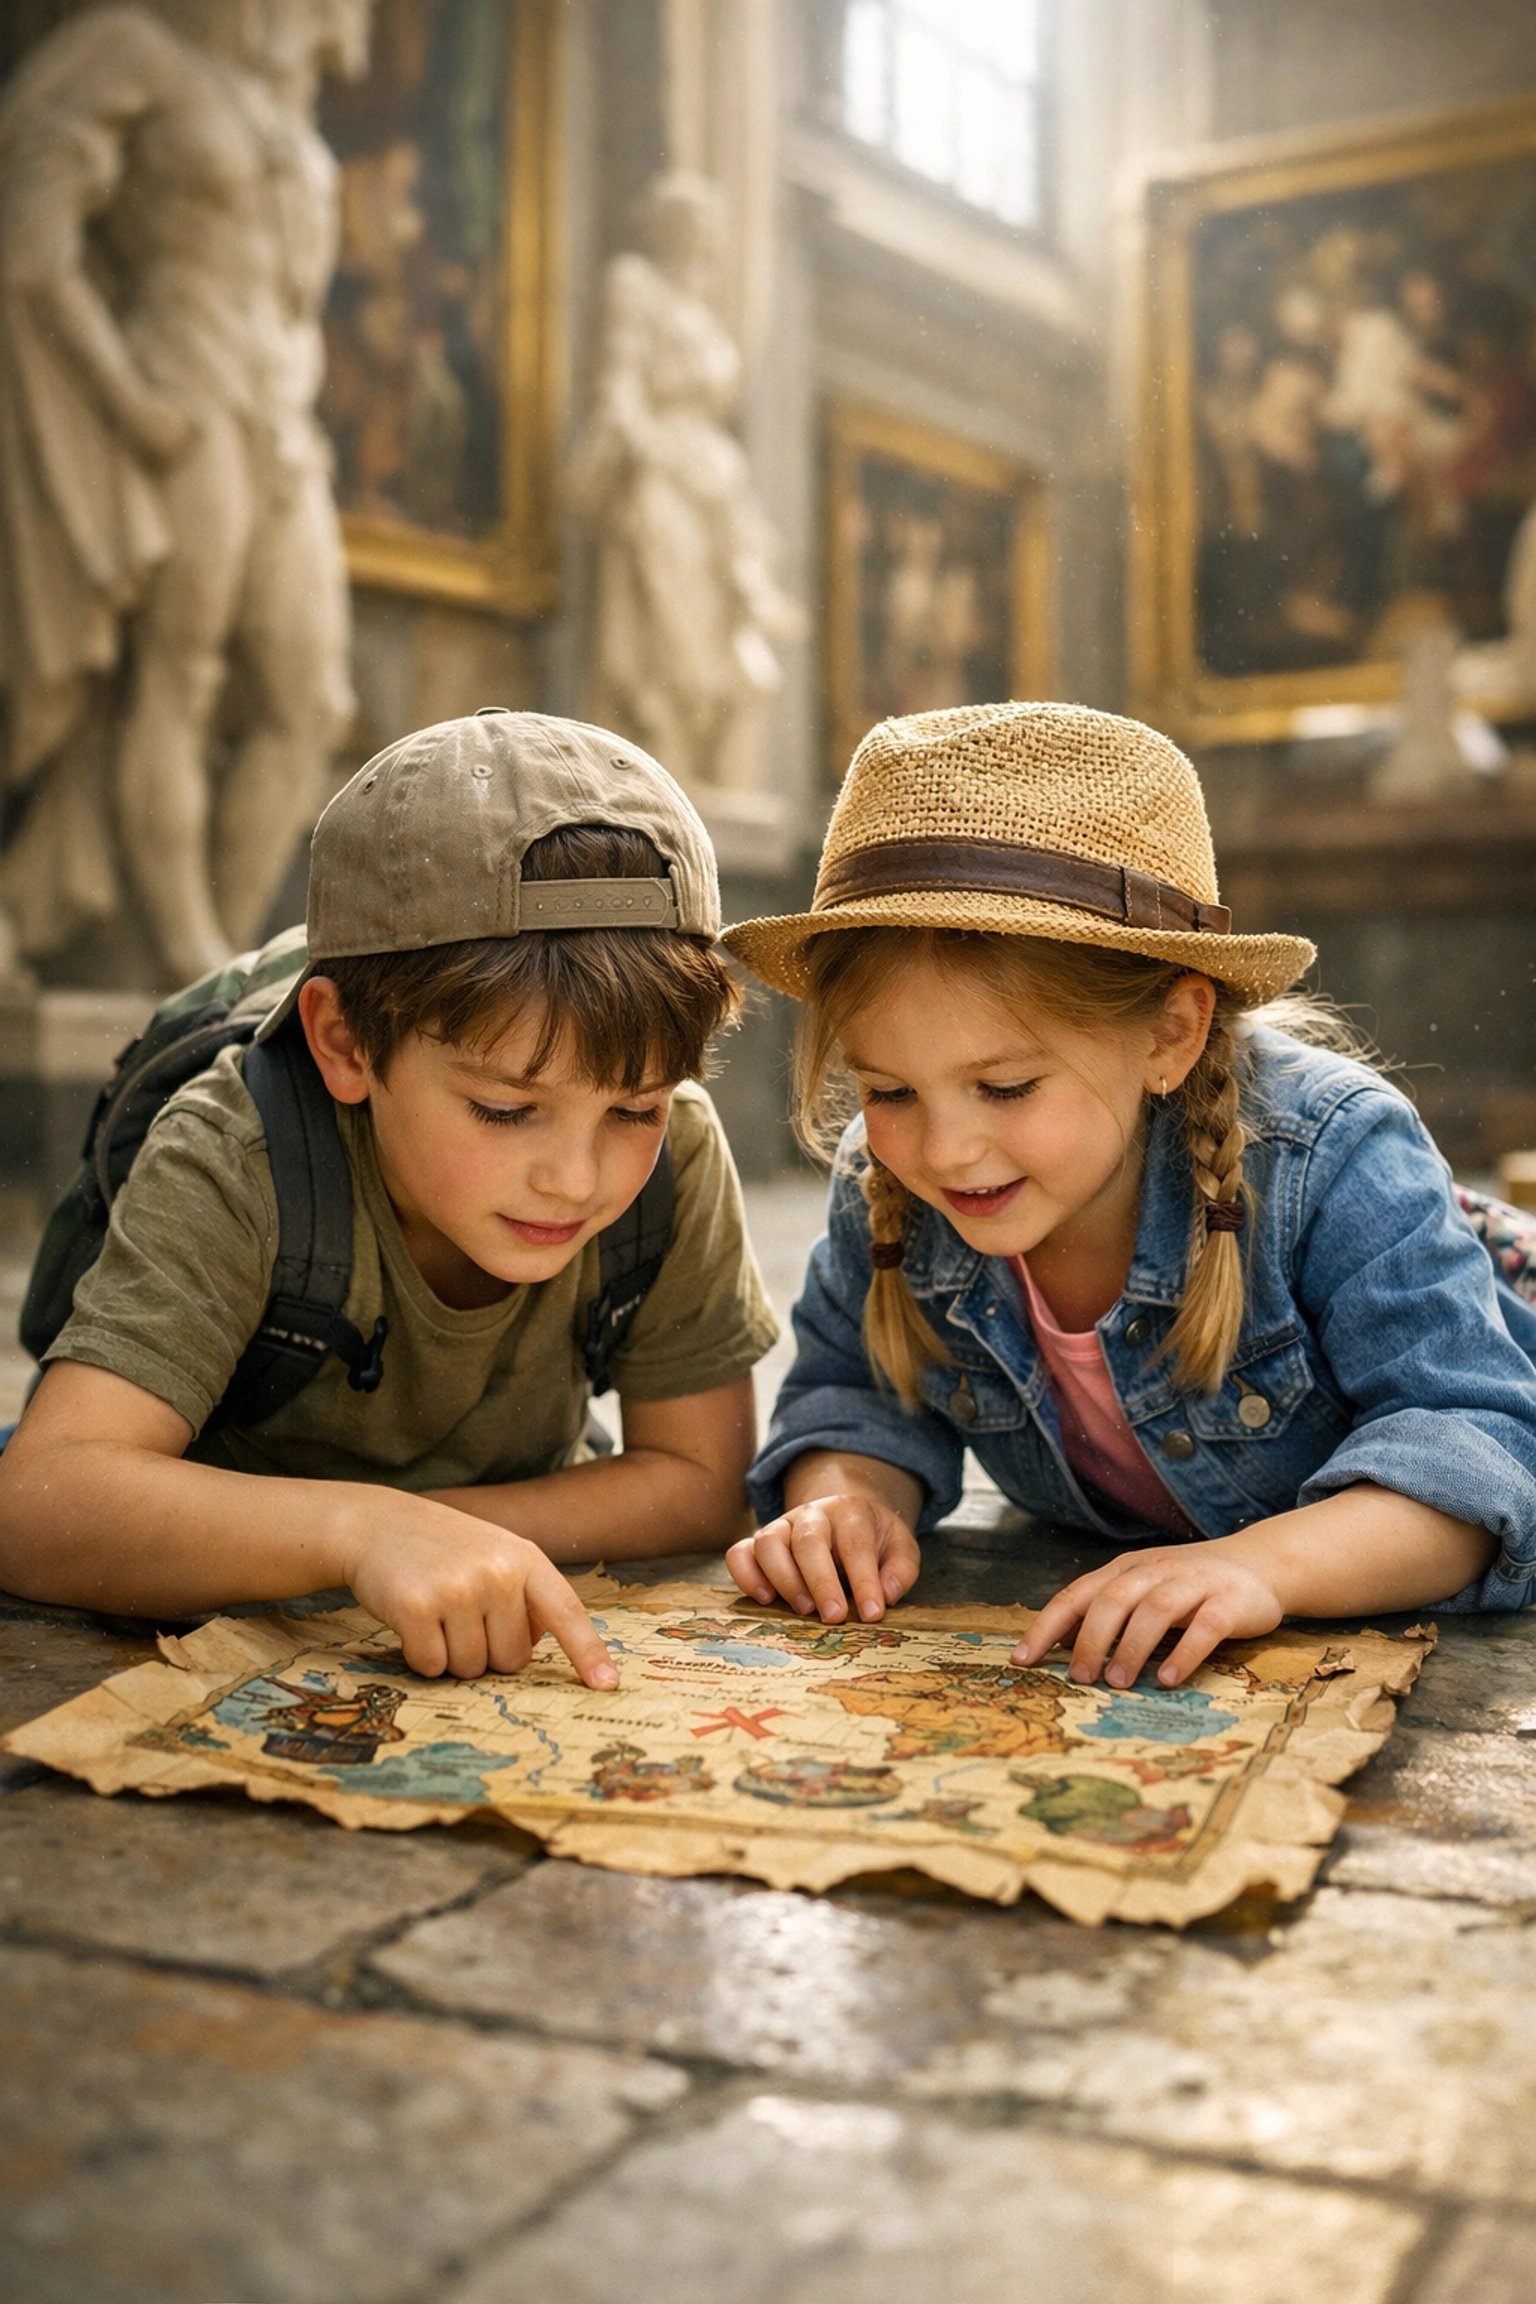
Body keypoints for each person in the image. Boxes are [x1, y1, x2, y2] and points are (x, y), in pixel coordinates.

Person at [720, 701, 1536, 1689]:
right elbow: (853, 1398)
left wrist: (1256, 1567)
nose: (943, 1147)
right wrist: (848, 1498)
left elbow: (1484, 1456)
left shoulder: (1335, 1155)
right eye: (888, 1091)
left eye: (1006, 1087)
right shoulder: (887, 1182)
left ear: (1168, 1037)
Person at [0, 711, 778, 1685]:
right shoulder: (243, 1149)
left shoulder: (680, 1156)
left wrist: (445, 1537)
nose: (577, 1178)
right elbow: (40, 1499)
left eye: (634, 1107)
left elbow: (702, 1485)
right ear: (344, 1045)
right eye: (505, 1109)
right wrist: (364, 1533)